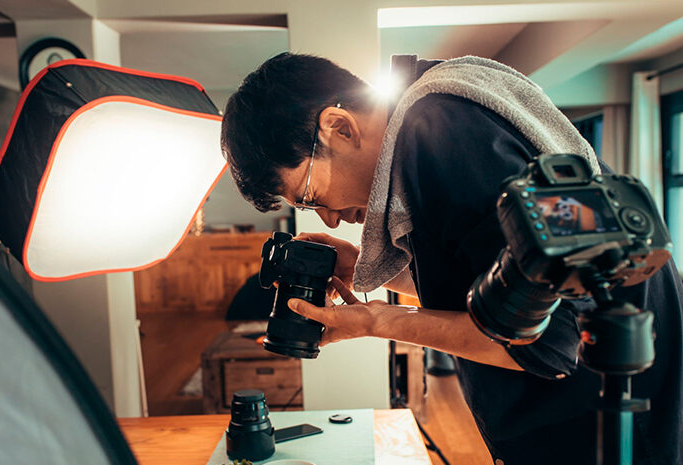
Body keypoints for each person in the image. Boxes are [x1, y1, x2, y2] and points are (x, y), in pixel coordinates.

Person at [220, 52, 683, 465]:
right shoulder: (438, 97)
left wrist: (378, 322)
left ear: (339, 127)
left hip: (604, 433)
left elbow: (544, 340)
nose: (330, 218)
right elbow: (496, 285)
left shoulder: (439, 131)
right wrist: (361, 264)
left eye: (308, 196)